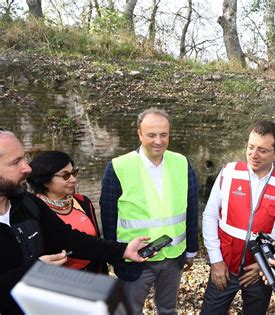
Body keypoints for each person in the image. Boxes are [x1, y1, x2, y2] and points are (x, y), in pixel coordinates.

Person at [0, 130, 149, 315]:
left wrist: (124, 250)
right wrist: (33, 271)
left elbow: (69, 238)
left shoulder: (28, 204)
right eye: (16, 162)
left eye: (24, 159)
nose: (27, 168)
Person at [100, 108, 199, 315]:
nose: (158, 141)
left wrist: (191, 249)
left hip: (173, 256)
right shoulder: (119, 167)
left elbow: (190, 208)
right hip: (135, 259)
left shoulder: (181, 163)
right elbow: (109, 217)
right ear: (139, 134)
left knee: (168, 309)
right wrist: (115, 256)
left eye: (164, 134)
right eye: (151, 135)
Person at [201, 120, 275, 315]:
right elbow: (210, 216)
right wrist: (216, 261)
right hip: (225, 267)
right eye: (251, 147)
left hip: (260, 272)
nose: (253, 155)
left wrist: (267, 262)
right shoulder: (228, 173)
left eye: (262, 150)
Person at [27, 151, 107, 273]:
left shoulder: (82, 202)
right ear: (45, 181)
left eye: (73, 173)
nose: (73, 179)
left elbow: (97, 242)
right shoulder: (32, 209)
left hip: (91, 276)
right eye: (65, 176)